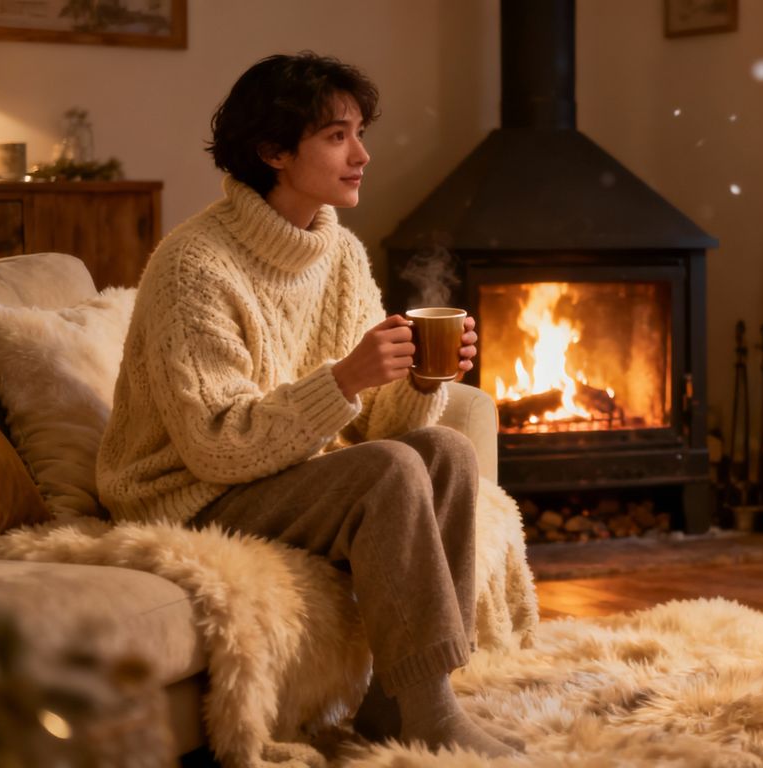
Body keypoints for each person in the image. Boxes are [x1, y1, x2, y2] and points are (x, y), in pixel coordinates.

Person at [96, 52, 520, 758]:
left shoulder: (340, 253)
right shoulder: (193, 264)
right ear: (273, 151)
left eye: (359, 133)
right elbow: (215, 446)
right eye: (337, 136)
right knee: (386, 471)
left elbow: (380, 425)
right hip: (188, 492)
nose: (362, 154)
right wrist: (343, 380)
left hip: (278, 473)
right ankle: (433, 711)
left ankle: (401, 700)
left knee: (444, 451)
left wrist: (416, 381)